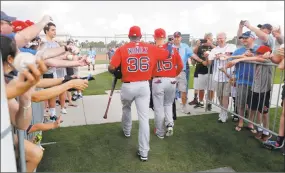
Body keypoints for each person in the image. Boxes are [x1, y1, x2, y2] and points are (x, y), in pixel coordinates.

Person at [108, 26, 169, 161]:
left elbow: (111, 67)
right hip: (143, 85)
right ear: (140, 36)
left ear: (129, 36)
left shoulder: (122, 48)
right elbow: (166, 54)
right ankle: (144, 152)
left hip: (128, 85)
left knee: (126, 108)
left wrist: (117, 72)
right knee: (144, 118)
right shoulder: (150, 47)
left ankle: (127, 130)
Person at [151, 28, 183, 139]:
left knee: (158, 108)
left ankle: (160, 132)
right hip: (171, 80)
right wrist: (174, 74)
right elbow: (181, 66)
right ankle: (169, 124)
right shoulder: (173, 49)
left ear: (154, 37)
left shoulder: (153, 49)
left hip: (158, 80)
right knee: (168, 104)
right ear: (164, 37)